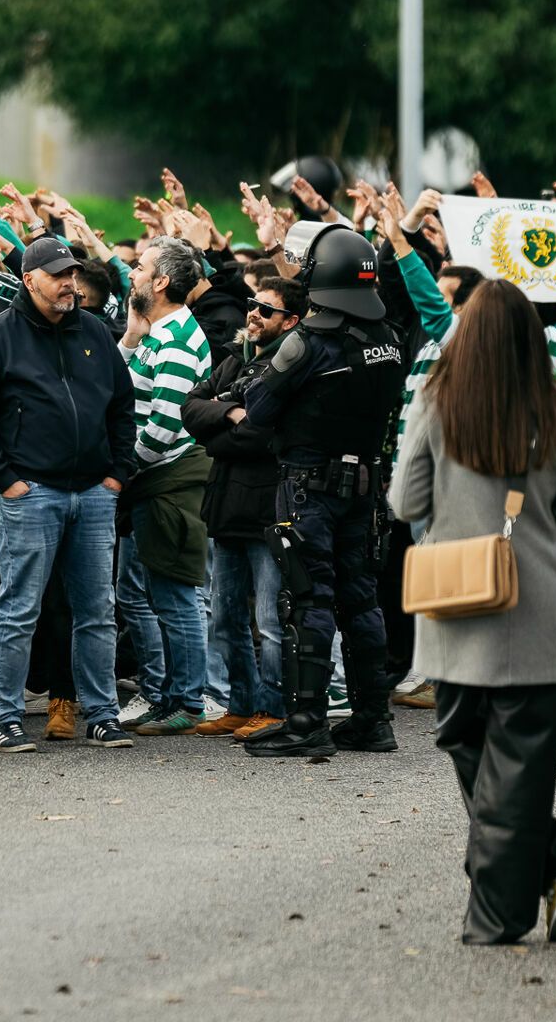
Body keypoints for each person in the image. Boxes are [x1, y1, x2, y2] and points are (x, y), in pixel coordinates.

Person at [389, 279, 556, 945]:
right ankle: (547, 861)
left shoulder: (436, 398)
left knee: (463, 739)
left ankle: (502, 912)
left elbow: (403, 501)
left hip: (454, 600)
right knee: (524, 758)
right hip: (538, 600)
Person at [0, 236, 138, 753]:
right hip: (30, 493)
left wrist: (117, 474)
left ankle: (102, 713)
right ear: (29, 279)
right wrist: (6, 479)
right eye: (57, 275)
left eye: (72, 274)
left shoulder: (96, 332)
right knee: (17, 611)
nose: (68, 283)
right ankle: (6, 717)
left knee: (97, 610)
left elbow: (122, 408)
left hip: (95, 493)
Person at [241, 223, 408, 758]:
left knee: (307, 598)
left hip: (309, 486)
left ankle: (307, 721)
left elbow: (259, 411)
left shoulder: (308, 341)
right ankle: (372, 719)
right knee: (361, 601)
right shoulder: (388, 338)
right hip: (364, 486)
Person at [181, 276, 305, 738]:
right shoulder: (235, 360)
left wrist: (223, 418)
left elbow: (262, 434)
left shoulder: (289, 363)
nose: (252, 313)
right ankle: (240, 703)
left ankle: (272, 710)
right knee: (225, 614)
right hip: (226, 504)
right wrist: (229, 411)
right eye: (252, 304)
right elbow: (189, 409)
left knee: (270, 619)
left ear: (290, 320)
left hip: (269, 508)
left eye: (265, 309)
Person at [114, 237, 214, 736]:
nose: (131, 272)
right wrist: (130, 339)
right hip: (150, 482)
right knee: (159, 594)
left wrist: (120, 472)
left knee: (175, 596)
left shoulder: (176, 340)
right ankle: (170, 696)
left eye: (139, 266)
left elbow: (162, 428)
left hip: (164, 480)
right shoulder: (155, 332)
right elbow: (119, 385)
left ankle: (189, 702)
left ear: (160, 282)